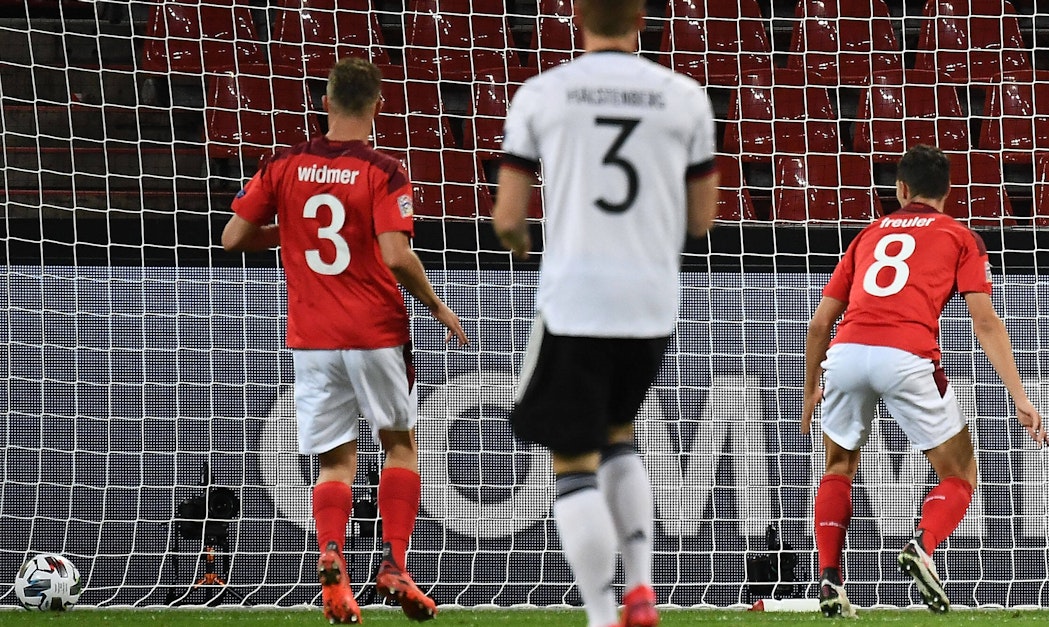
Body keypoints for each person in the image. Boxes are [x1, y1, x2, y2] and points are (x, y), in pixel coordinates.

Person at [490, 0, 718, 623]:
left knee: (572, 459)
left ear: (578, 18)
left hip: (576, 301)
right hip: (650, 304)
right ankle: (641, 588)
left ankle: (599, 612)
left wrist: (523, 248)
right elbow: (703, 220)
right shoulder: (685, 97)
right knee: (621, 434)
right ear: (643, 20)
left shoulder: (542, 93)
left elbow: (508, 218)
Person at [221, 57, 469, 624]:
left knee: (335, 462)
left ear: (326, 102)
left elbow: (233, 235)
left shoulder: (284, 163)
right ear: (378, 105)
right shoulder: (383, 170)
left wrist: (294, 232)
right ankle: (395, 563)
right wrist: (435, 306)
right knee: (399, 446)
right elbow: (394, 253)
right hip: (376, 330)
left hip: (311, 337)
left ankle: (333, 555)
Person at [802, 145, 1049, 618]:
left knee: (837, 467)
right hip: (907, 354)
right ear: (948, 191)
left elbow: (817, 325)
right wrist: (1019, 397)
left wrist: (811, 388)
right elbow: (985, 322)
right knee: (960, 473)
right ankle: (923, 545)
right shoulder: (960, 236)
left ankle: (830, 579)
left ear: (900, 189)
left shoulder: (867, 235)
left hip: (847, 352)